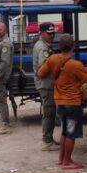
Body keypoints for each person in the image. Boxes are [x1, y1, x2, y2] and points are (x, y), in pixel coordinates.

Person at [37, 33, 87, 169]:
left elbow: (40, 73)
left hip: (60, 102)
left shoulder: (52, 59)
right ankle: (67, 162)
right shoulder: (76, 65)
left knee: (65, 131)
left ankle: (61, 159)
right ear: (73, 46)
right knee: (71, 133)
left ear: (59, 46)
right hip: (73, 103)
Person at [33, 22, 58, 151]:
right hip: (46, 84)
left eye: (53, 33)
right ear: (41, 33)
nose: (52, 36)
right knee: (49, 112)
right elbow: (44, 69)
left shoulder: (45, 45)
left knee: (51, 112)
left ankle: (49, 138)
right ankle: (46, 141)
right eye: (49, 33)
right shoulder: (42, 48)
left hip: (47, 84)